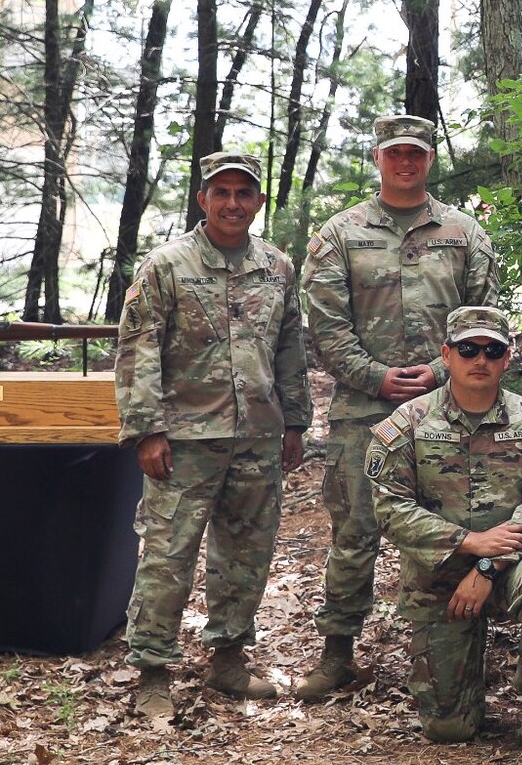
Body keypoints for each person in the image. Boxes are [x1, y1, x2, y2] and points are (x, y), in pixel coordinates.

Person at [299, 114, 497, 699]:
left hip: (450, 410)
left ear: (429, 159)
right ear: (378, 159)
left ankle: (450, 654)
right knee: (355, 531)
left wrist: (441, 371)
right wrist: (378, 378)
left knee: (451, 528)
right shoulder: (340, 234)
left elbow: (484, 318)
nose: (405, 163)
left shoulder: (463, 234)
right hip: (364, 410)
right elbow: (326, 325)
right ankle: (337, 652)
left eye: (415, 153)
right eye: (394, 154)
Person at [115, 152, 311, 719]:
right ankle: (153, 669)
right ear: (203, 199)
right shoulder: (166, 266)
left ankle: (228, 658)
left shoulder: (277, 267)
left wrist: (295, 421)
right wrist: (147, 430)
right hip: (184, 439)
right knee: (168, 555)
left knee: (246, 554)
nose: (232, 204)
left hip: (256, 435)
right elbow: (138, 350)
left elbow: (289, 348)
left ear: (258, 202)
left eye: (243, 194)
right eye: (220, 193)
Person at [366, 306, 522, 762]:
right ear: (446, 355)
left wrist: (488, 562)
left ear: (508, 358)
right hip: (439, 572)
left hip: (514, 562)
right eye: (468, 349)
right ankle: (461, 688)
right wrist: (466, 543)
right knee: (450, 730)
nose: (479, 359)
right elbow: (389, 507)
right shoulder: (407, 424)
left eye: (492, 350)